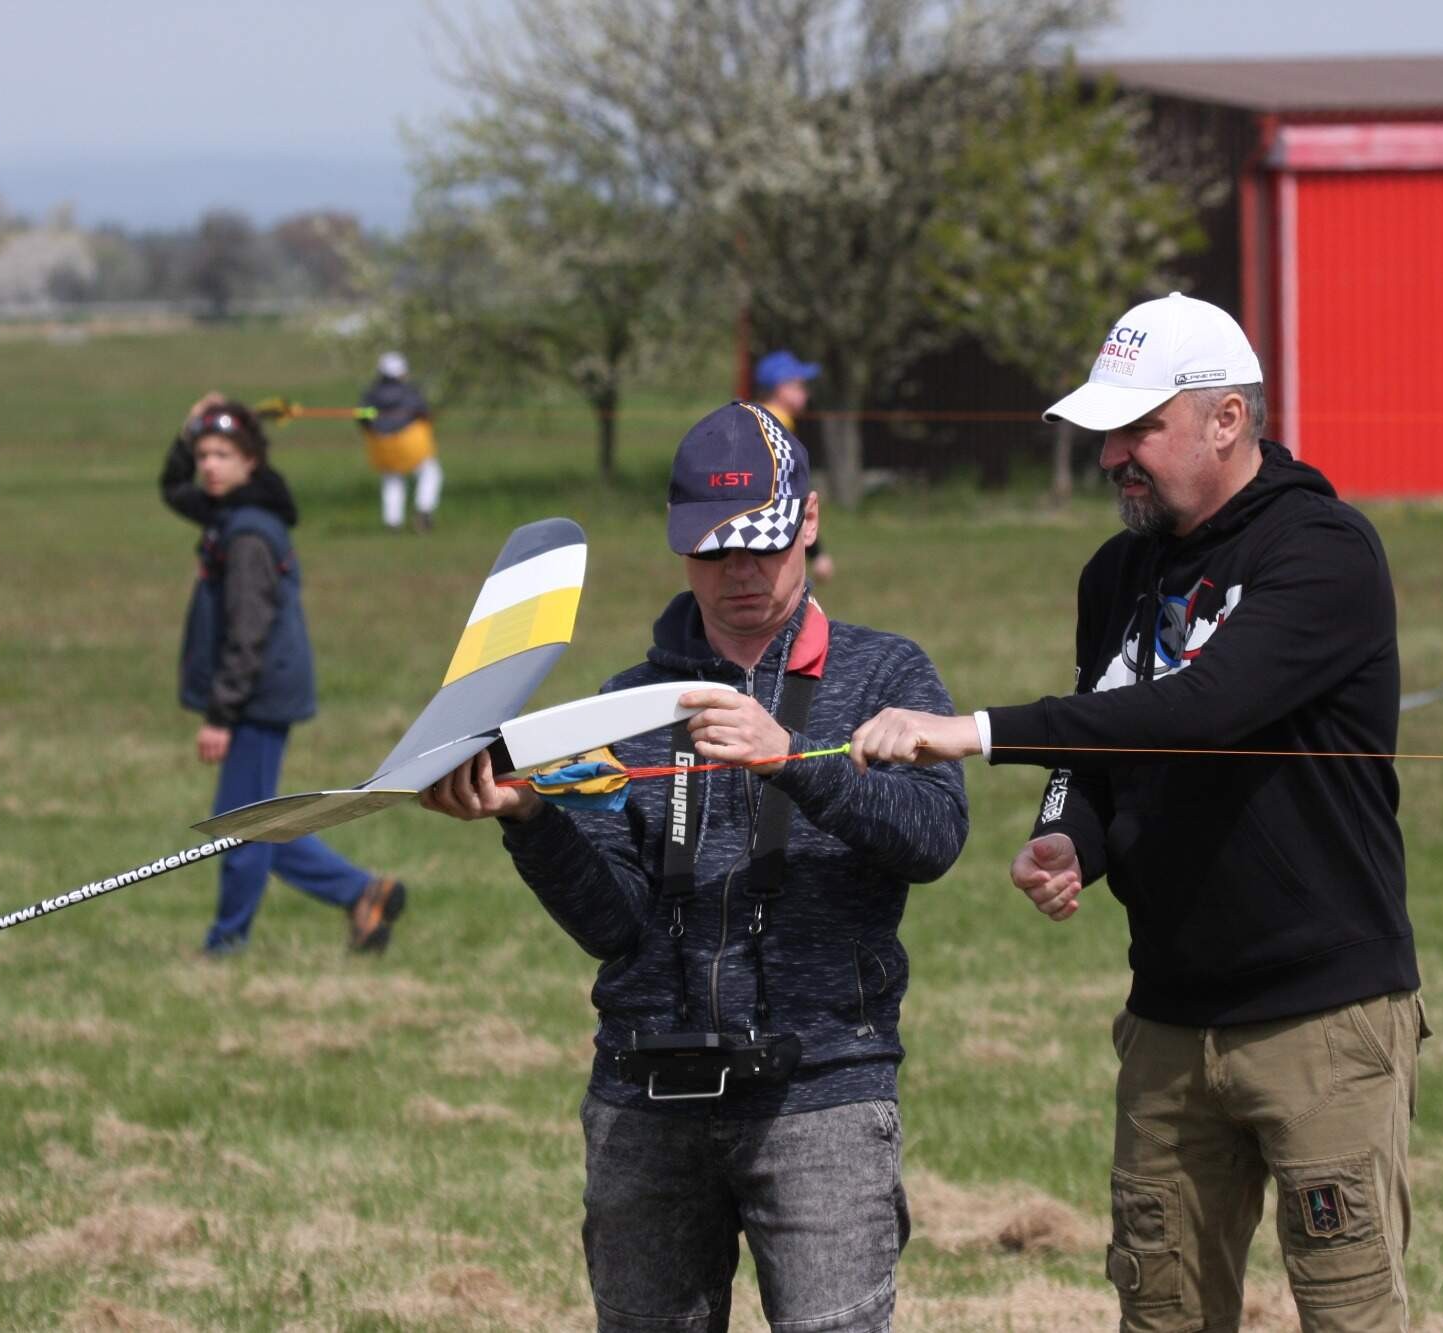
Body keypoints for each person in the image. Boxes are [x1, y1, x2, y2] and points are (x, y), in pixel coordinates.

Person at [851, 293, 1427, 1331]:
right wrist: (1066, 831)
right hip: (1166, 1015)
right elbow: (1101, 741)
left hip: (1322, 1016)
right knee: (1159, 1312)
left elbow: (1202, 711)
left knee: (1349, 1313)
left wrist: (972, 731)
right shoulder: (1115, 573)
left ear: (1227, 419)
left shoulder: (1321, 552)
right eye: (1105, 432)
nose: (1113, 455)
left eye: (1138, 428)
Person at [420, 401, 968, 1332]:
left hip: (822, 1094)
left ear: (810, 520)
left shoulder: (885, 675)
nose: (740, 572)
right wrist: (529, 819)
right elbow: (612, 924)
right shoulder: (626, 704)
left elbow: (935, 837)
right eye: (713, 550)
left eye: (761, 544)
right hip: (644, 1095)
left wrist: (789, 759)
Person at [171, 397, 407, 957]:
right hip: (260, 691)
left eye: (222, 454)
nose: (208, 466)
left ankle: (225, 945)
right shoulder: (236, 513)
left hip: (257, 695)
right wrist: (187, 430)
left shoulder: (247, 535)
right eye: (202, 455)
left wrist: (221, 713)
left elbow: (248, 631)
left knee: (242, 825)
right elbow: (173, 490)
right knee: (254, 821)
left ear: (251, 461)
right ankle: (362, 892)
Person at [753, 349, 835, 582]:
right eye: (800, 385)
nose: (806, 392)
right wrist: (817, 554)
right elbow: (791, 498)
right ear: (782, 389)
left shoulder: (756, 421)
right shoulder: (778, 432)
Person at [359, 352, 442, 532]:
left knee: (392, 479)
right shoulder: (410, 392)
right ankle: (424, 509)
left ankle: (393, 522)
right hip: (411, 444)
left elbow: (363, 418)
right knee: (430, 472)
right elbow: (424, 412)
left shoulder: (371, 395)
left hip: (382, 446)